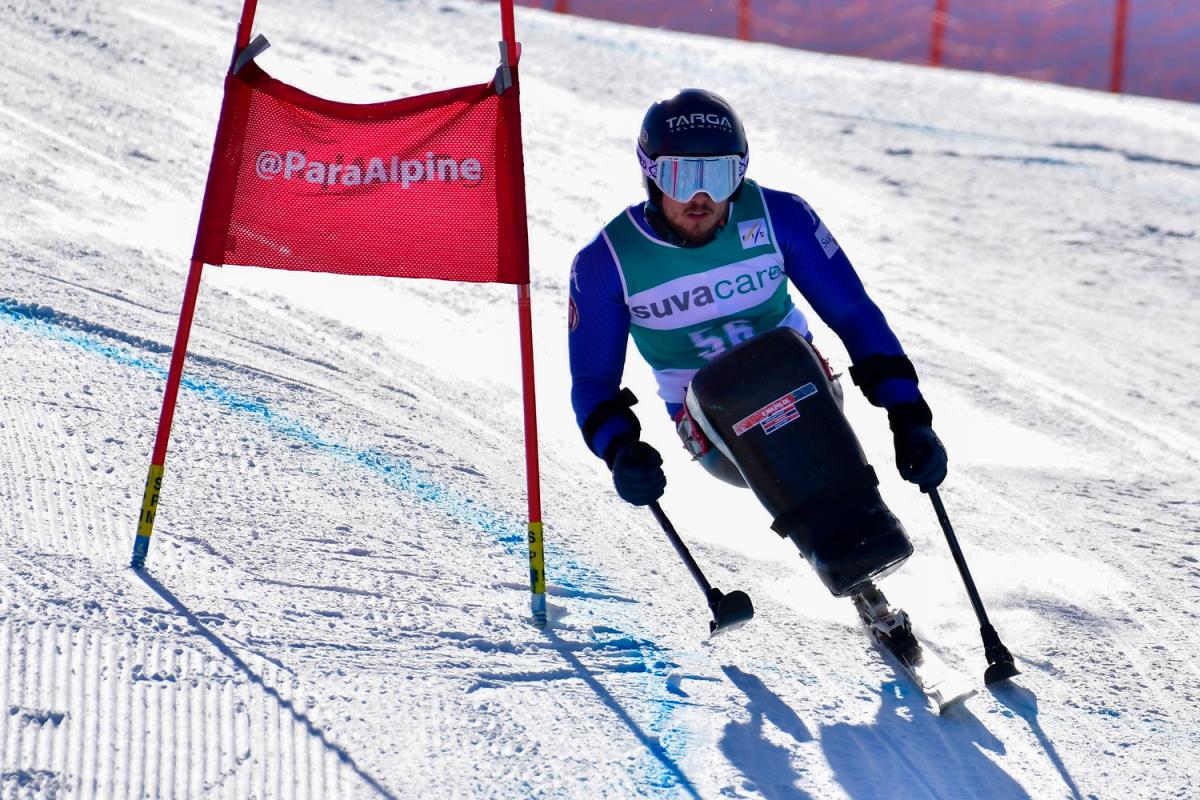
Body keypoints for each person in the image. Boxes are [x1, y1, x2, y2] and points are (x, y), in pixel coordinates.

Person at [567, 89, 947, 591]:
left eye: (720, 177)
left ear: (741, 173)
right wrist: (621, 451)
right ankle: (836, 542)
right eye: (682, 177)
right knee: (736, 383)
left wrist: (910, 417)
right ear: (651, 174)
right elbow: (593, 381)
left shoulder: (779, 216)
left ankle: (858, 536)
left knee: (779, 356)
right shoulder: (606, 262)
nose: (700, 198)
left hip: (807, 392)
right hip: (713, 429)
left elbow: (855, 315)